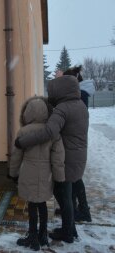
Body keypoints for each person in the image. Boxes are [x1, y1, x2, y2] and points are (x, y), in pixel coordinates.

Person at [15, 75, 89, 243]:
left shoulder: (63, 109)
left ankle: (67, 233)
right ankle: (70, 230)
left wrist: (23, 142)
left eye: (52, 90)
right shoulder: (80, 106)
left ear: (60, 90)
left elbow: (49, 132)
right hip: (78, 156)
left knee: (63, 196)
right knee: (68, 197)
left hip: (66, 158)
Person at [9, 97, 65, 251]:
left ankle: (32, 237)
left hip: (28, 173)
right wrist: (59, 177)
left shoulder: (23, 131)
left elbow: (16, 156)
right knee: (42, 204)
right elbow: (58, 157)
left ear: (28, 113)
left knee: (32, 205)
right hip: (46, 174)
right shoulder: (52, 132)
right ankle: (43, 235)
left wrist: (13, 173)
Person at [63, 66, 92, 222]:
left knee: (74, 178)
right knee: (73, 178)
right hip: (76, 142)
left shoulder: (80, 97)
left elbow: (73, 119)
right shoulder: (80, 95)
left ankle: (81, 211)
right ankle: (73, 209)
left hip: (75, 143)